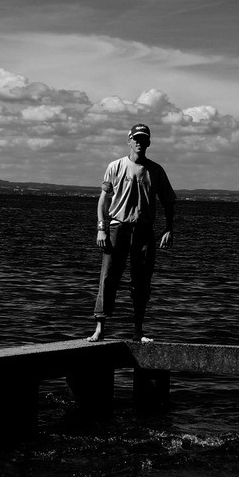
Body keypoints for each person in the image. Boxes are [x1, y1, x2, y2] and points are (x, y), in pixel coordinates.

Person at [87, 123, 175, 343]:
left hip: (144, 231)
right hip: (117, 228)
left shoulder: (156, 170)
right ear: (129, 141)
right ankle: (100, 327)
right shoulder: (115, 167)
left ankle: (138, 331)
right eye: (135, 138)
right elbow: (103, 201)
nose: (139, 142)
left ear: (148, 142)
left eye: (143, 139)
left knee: (142, 281)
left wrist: (169, 228)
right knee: (108, 278)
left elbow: (168, 201)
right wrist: (101, 229)